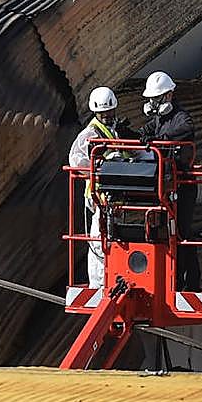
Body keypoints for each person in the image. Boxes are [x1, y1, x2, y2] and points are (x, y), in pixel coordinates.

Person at [67, 86, 135, 287]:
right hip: (98, 195)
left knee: (112, 239)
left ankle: (112, 278)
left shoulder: (113, 131)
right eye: (103, 113)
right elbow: (75, 160)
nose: (107, 115)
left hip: (114, 195)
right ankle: (98, 285)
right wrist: (99, 167)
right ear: (96, 112)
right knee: (98, 241)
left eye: (109, 112)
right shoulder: (89, 133)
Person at [140, 71, 200, 291]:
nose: (153, 103)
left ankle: (191, 283)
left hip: (183, 185)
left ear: (169, 95)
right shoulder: (158, 119)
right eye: (151, 100)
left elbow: (187, 129)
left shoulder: (180, 117)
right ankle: (169, 280)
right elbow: (144, 133)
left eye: (157, 99)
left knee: (183, 233)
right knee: (163, 232)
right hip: (165, 185)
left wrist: (161, 139)